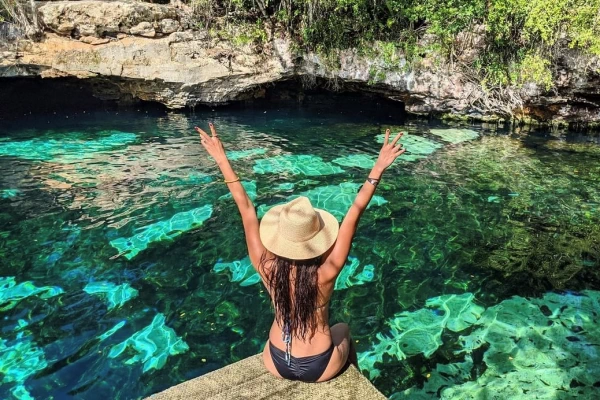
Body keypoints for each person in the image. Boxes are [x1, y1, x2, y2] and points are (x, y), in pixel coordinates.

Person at [196, 123, 405, 382]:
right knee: (343, 329)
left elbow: (246, 209)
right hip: (321, 365)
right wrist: (378, 167)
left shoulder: (265, 266)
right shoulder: (326, 272)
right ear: (317, 239)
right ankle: (356, 380)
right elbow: (355, 211)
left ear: (280, 238)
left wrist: (220, 157)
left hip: (276, 360)